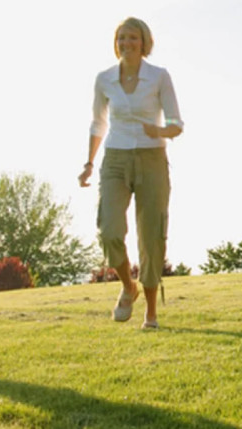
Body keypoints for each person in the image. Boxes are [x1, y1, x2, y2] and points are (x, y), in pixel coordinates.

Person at [79, 17, 183, 329]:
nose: (127, 43)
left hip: (152, 158)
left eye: (133, 38)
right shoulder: (104, 79)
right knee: (109, 230)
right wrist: (88, 163)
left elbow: (177, 123)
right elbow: (98, 123)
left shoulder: (159, 77)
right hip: (115, 158)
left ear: (144, 42)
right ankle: (128, 286)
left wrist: (160, 131)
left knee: (151, 236)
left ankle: (151, 311)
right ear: (116, 43)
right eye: (122, 38)